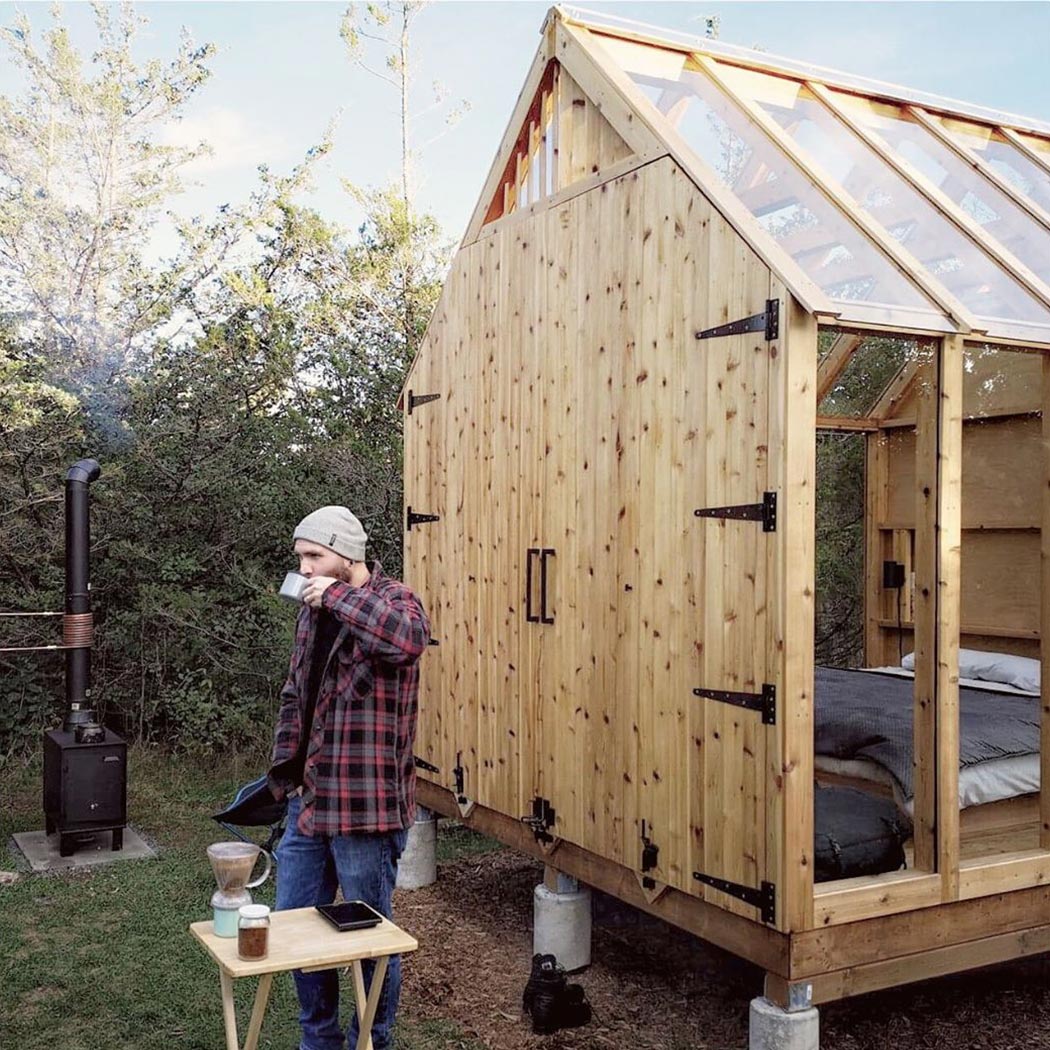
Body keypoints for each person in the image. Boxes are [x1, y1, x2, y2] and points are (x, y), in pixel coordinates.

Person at [267, 505, 430, 1050]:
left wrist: (334, 596)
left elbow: (407, 640)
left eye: (314, 556)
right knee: (294, 929)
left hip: (365, 810)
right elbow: (297, 696)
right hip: (309, 804)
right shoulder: (311, 614)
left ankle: (371, 1041)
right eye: (302, 558)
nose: (306, 568)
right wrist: (282, 772)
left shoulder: (395, 600)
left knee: (367, 938)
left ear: (347, 554)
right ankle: (319, 1039)